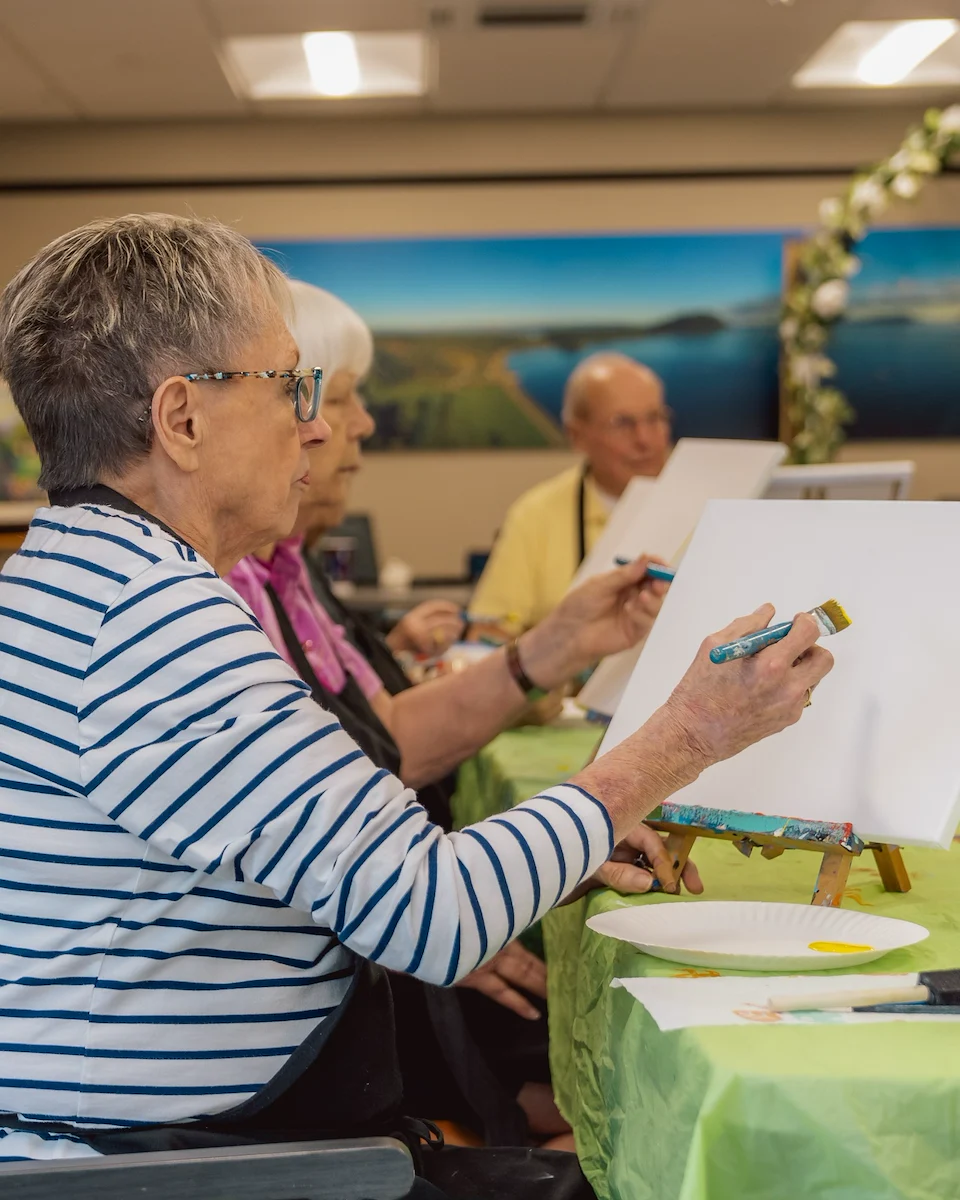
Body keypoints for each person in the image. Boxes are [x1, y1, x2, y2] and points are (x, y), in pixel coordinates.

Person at [0, 214, 832, 1199]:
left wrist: (553, 844)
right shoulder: (157, 623)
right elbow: (430, 917)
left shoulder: (71, 579)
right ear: (181, 420)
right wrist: (684, 740)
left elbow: (310, 866)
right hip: (172, 1168)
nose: (315, 425)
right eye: (290, 388)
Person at [226, 282, 677, 1148]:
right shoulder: (209, 611)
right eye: (326, 402)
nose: (345, 430)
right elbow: (396, 873)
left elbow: (368, 767)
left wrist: (549, 651)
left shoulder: (262, 579)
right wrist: (670, 747)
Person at [469, 352, 672, 630]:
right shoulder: (536, 515)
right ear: (576, 435)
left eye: (654, 418)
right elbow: (488, 632)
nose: (644, 439)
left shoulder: (709, 507)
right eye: (622, 423)